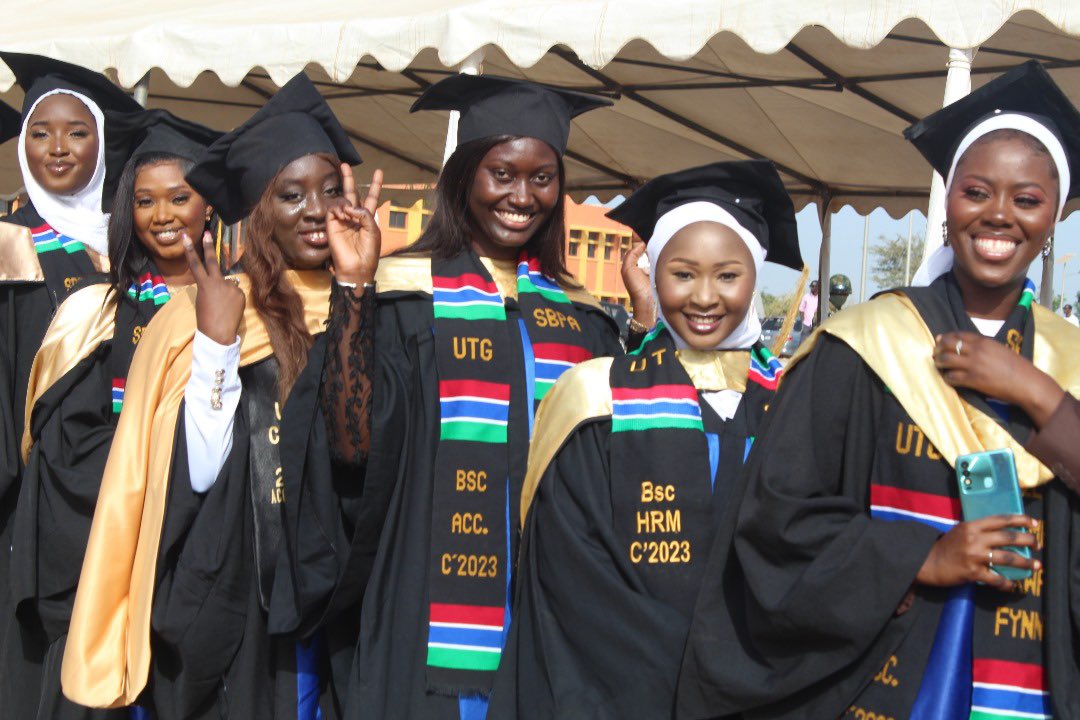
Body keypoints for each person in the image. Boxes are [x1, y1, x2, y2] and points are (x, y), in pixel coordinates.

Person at [677, 60, 1080, 720]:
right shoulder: (864, 345)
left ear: (1055, 215)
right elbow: (776, 514)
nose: (999, 215)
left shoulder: (1067, 362)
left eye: (1026, 199)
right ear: (947, 203)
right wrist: (921, 557)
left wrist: (1035, 391)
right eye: (975, 192)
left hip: (1035, 675)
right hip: (880, 674)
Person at [62, 72, 383, 720]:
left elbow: (367, 460)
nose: (316, 210)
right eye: (291, 194)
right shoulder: (196, 318)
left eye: (327, 189)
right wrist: (215, 344)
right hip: (238, 606)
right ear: (258, 210)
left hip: (349, 603)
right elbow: (195, 476)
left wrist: (356, 290)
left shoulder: (377, 309)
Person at [337, 75, 653, 720]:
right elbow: (356, 441)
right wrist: (352, 288)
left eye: (542, 178)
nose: (521, 196)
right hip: (426, 591)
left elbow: (624, 454)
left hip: (553, 591)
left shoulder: (584, 316)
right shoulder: (402, 296)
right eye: (501, 173)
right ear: (462, 180)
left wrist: (644, 329)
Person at [488, 160, 803, 719]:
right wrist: (691, 663)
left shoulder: (791, 403)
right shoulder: (597, 399)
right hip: (619, 693)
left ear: (754, 279)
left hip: (761, 688)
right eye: (682, 274)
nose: (704, 297)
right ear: (654, 275)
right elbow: (572, 569)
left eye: (728, 276)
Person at [1, 109, 221, 720]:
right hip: (110, 542)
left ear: (211, 205)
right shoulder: (100, 312)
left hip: (210, 551)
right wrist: (146, 490)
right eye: (145, 201)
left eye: (180, 197)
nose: (163, 216)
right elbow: (67, 446)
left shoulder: (247, 303)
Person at [0, 50, 142, 691]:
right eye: (39, 132)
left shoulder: (130, 242)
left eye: (76, 132)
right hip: (28, 494)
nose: (56, 149)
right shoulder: (9, 246)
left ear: (102, 142)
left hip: (120, 484)